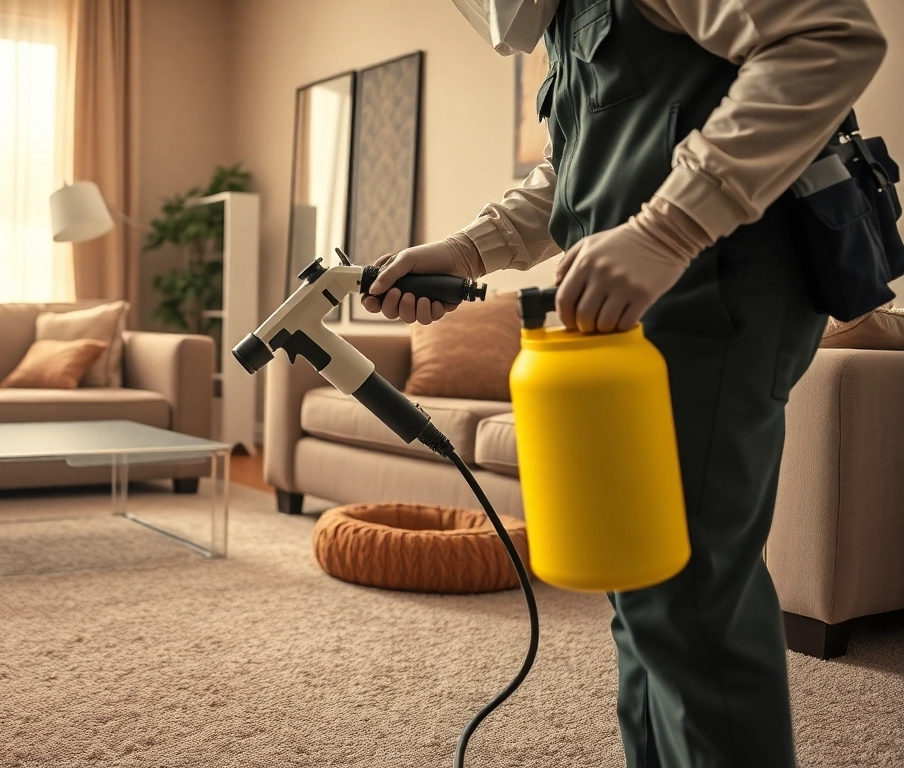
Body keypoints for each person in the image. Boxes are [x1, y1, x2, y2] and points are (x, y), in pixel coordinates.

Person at [361, 1, 887, 766]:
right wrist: (467, 249)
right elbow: (578, 167)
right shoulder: (565, 20)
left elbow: (829, 39)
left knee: (688, 593)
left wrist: (664, 229)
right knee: (638, 583)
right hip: (633, 313)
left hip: (718, 287)